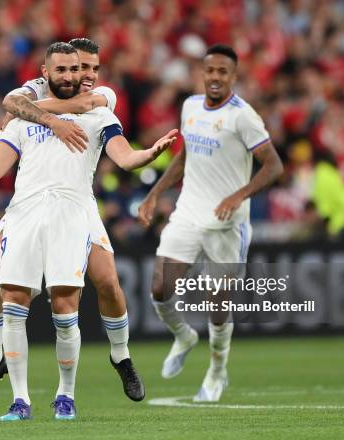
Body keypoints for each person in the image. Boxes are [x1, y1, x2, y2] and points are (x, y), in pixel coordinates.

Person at [0, 42, 176, 420]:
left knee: (76, 299)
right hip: (25, 212)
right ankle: (16, 395)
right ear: (46, 72)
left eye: (81, 69)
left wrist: (148, 154)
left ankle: (90, 378)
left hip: (72, 211)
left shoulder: (101, 106)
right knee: (6, 293)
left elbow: (125, 156)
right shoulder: (23, 115)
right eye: (66, 70)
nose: (76, 76)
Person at [138, 44, 283, 402]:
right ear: (202, 73)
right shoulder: (189, 106)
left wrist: (238, 195)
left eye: (223, 72)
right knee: (159, 286)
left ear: (234, 77)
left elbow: (274, 165)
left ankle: (217, 372)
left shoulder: (243, 117)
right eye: (210, 71)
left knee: (217, 307)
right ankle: (185, 336)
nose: (215, 77)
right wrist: (155, 193)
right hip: (188, 211)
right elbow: (184, 157)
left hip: (226, 223)